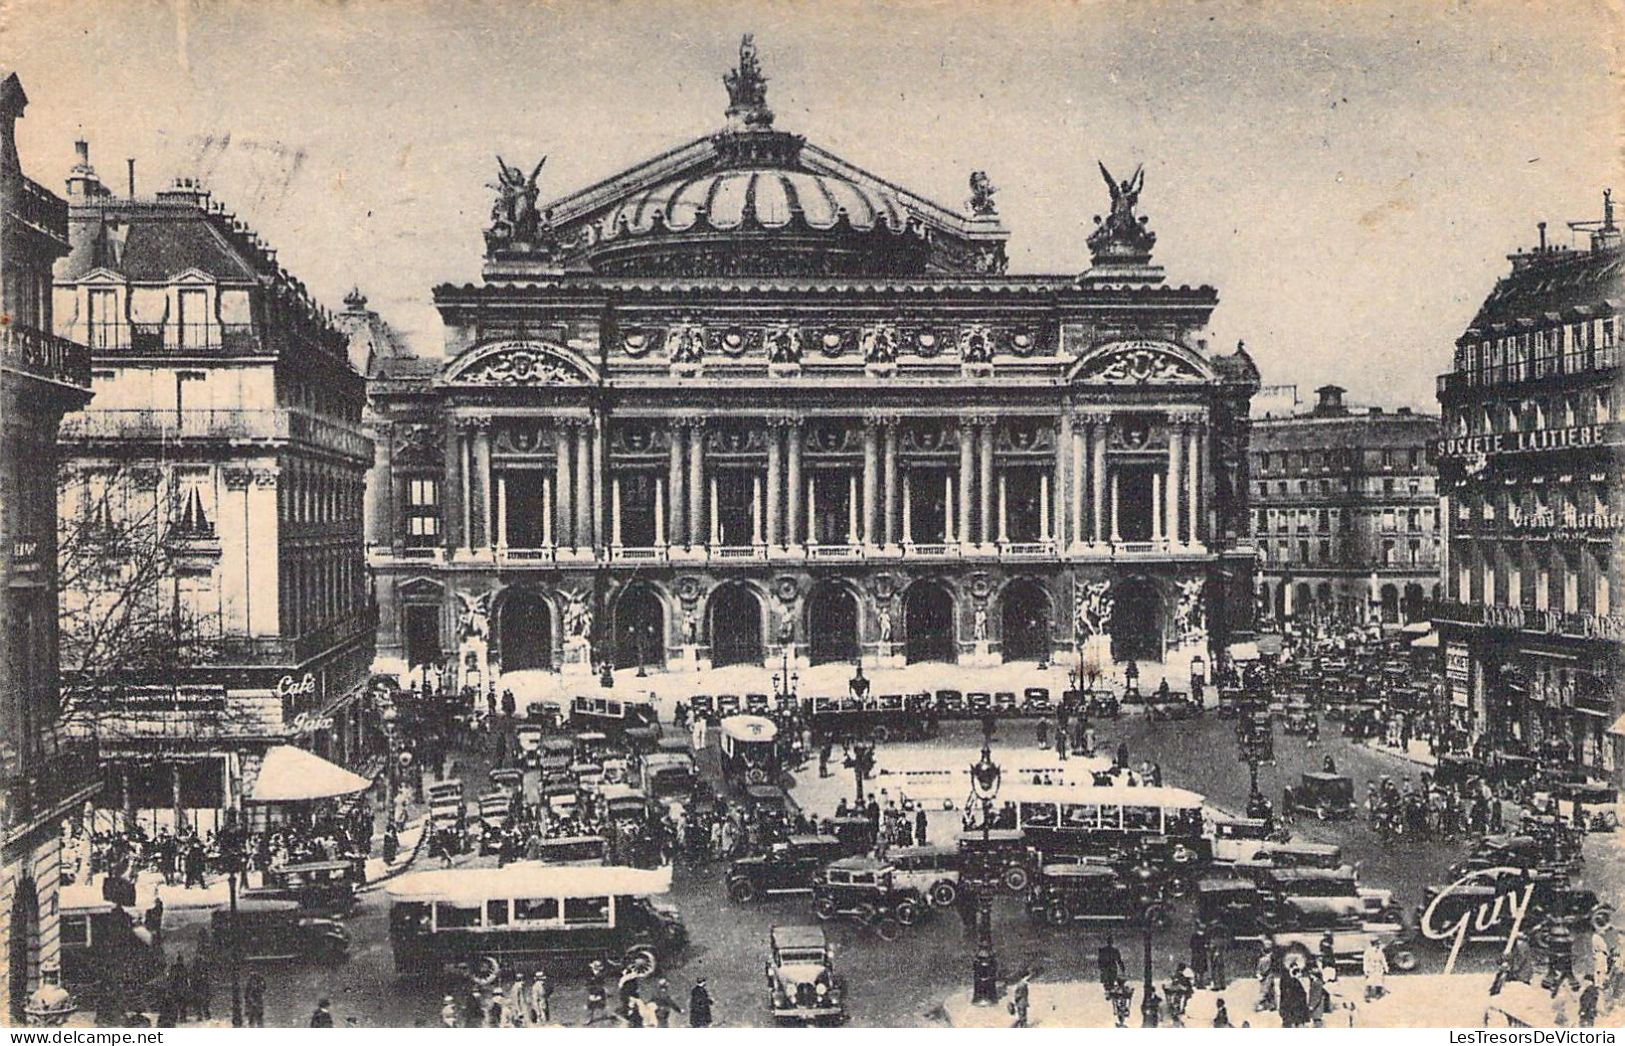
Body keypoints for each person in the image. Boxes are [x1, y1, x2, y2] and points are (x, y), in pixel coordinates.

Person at [1362, 937, 1389, 1001]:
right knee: (1369, 982)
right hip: (1371, 968)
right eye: (1377, 944)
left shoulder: (1380, 951)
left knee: (1379, 981)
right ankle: (1367, 995)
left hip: (1378, 968)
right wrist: (1365, 970)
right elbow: (1365, 961)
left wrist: (1386, 967)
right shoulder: (1368, 952)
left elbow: (1383, 960)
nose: (1378, 945)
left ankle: (1378, 993)